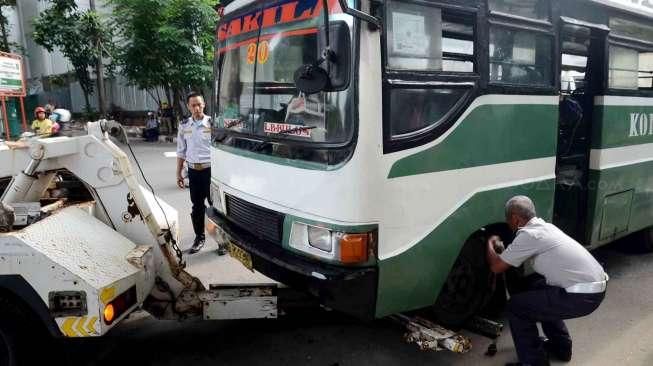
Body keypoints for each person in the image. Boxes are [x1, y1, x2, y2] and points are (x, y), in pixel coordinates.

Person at [486, 196, 608, 366]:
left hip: (582, 295)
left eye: (508, 220)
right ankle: (561, 348)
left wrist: (490, 243)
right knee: (537, 289)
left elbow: (497, 267)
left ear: (515, 218)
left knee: (515, 307)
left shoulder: (529, 235)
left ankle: (533, 362)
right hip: (594, 288)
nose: (508, 224)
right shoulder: (545, 227)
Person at [176, 92, 227, 255]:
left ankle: (222, 242)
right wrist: (178, 173)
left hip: (211, 172)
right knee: (197, 207)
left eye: (199, 104)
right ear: (188, 106)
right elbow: (181, 151)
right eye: (193, 105)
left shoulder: (212, 123)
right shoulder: (184, 125)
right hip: (193, 172)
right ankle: (199, 238)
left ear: (204, 104)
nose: (196, 108)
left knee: (216, 207)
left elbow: (222, 148)